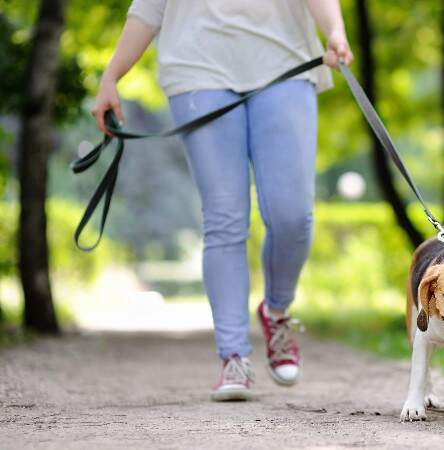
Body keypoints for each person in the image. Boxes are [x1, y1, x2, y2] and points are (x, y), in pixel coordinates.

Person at [92, 0, 353, 401]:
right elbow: (147, 9)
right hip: (198, 69)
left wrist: (335, 30)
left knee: (292, 216)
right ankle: (233, 356)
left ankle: (276, 312)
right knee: (224, 218)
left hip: (285, 64)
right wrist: (111, 76)